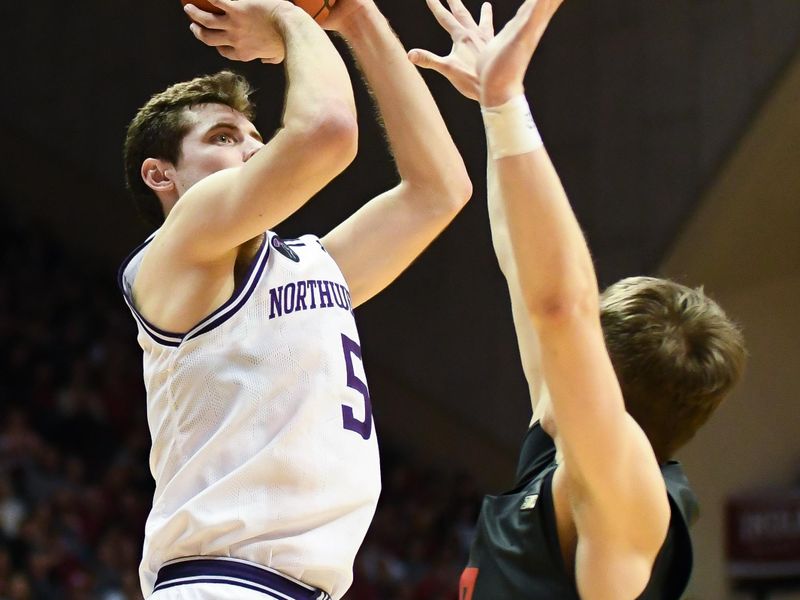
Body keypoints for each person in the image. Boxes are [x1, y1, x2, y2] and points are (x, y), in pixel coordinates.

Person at [118, 0, 472, 597]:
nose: (254, 149)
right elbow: (327, 131)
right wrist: (289, 12)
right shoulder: (179, 247)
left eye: (257, 135)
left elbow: (440, 190)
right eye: (224, 137)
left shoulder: (313, 264)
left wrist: (357, 17)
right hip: (219, 580)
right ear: (162, 176)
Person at [410, 0, 746, 598]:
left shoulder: (630, 493)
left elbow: (562, 310)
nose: (564, 350)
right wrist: (497, 115)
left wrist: (507, 100)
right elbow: (522, 262)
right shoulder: (562, 445)